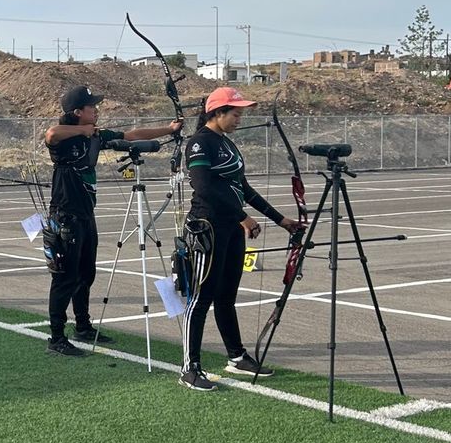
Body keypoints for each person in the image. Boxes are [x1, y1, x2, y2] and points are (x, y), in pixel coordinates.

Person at [43, 85, 183, 356]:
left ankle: (83, 326)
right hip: (65, 216)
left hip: (86, 216)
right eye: (92, 107)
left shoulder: (97, 134)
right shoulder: (64, 139)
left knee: (86, 274)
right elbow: (51, 133)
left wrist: (168, 129)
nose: (96, 110)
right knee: (65, 278)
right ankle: (56, 338)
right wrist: (82, 131)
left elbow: (132, 135)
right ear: (77, 112)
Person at [179, 86, 300, 390]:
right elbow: (204, 187)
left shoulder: (226, 143)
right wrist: (241, 216)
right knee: (201, 298)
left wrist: (280, 219)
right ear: (217, 113)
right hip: (207, 227)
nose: (238, 120)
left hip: (231, 229)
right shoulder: (199, 143)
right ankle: (189, 368)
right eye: (235, 114)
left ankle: (236, 356)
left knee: (226, 297)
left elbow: (243, 189)